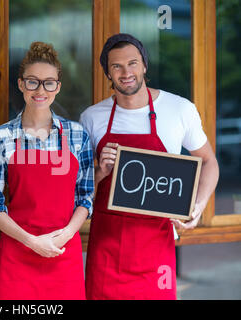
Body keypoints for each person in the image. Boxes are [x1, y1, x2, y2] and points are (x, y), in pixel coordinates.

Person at [80, 33, 219, 300]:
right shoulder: (92, 118)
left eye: (132, 63)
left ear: (144, 65)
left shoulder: (179, 109)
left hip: (156, 248)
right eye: (116, 66)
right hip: (106, 251)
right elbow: (77, 186)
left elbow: (209, 161)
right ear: (107, 73)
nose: (126, 72)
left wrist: (198, 206)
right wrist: (99, 173)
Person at [0, 41, 94, 300]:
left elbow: (86, 197)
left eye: (49, 82)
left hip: (64, 253)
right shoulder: (1, 137)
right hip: (18, 255)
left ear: (58, 87)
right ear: (21, 84)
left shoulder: (78, 136)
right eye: (33, 81)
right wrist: (32, 241)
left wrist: (64, 235)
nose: (40, 90)